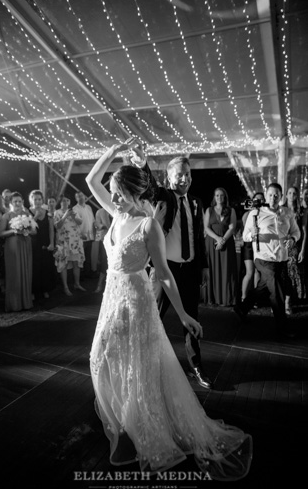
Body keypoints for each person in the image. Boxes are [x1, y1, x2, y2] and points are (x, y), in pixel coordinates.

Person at [86, 138, 252, 480]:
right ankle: (124, 416)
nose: (112, 197)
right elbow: (91, 181)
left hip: (136, 298)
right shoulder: (116, 213)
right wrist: (115, 151)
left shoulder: (149, 226)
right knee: (100, 357)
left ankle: (144, 425)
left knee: (140, 366)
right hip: (111, 299)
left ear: (133, 192)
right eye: (112, 192)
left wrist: (185, 315)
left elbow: (164, 276)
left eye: (118, 192)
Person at [139, 154, 212, 389]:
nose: (184, 179)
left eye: (187, 174)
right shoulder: (165, 197)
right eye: (179, 174)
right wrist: (143, 164)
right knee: (154, 318)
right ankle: (149, 366)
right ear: (169, 177)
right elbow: (150, 187)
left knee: (191, 318)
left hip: (190, 270)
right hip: (163, 270)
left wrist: (203, 267)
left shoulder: (197, 203)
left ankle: (196, 366)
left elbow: (199, 239)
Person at [234, 183, 300, 337]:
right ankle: (282, 329)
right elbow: (245, 236)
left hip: (281, 258)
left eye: (276, 195)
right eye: (270, 194)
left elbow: (296, 232)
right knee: (276, 293)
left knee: (263, 286)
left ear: (281, 196)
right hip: (263, 258)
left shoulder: (287, 213)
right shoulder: (256, 213)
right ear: (266, 195)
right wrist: (254, 235)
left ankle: (242, 308)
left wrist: (292, 239)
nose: (273, 197)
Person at [0, 191, 36, 312]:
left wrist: (26, 230)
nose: (18, 203)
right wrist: (14, 230)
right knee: (14, 273)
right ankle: (14, 304)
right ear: (10, 203)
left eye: (20, 201)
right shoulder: (6, 216)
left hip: (25, 245)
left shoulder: (27, 214)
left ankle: (26, 302)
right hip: (13, 247)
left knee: (26, 271)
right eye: (15, 201)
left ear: (23, 202)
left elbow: (34, 231)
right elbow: (1, 233)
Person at [204, 188, 238, 306]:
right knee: (213, 269)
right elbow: (207, 228)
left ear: (225, 197)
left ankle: (226, 299)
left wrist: (222, 240)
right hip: (212, 243)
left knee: (226, 270)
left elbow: (232, 228)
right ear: (214, 197)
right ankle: (212, 298)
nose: (219, 198)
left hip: (227, 243)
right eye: (217, 195)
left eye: (222, 195)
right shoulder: (209, 210)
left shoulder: (231, 210)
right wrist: (217, 239)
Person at [53, 194, 85, 296]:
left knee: (76, 263)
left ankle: (77, 284)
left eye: (67, 200)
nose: (65, 202)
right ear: (60, 203)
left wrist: (72, 215)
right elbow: (57, 226)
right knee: (64, 264)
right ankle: (65, 287)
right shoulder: (57, 212)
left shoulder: (74, 211)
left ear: (69, 202)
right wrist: (65, 215)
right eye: (63, 201)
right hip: (63, 242)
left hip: (75, 241)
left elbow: (80, 222)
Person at [28, 190, 55, 299]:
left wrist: (52, 243)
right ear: (31, 200)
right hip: (33, 244)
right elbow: (28, 228)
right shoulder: (28, 211)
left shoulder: (47, 211)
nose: (38, 201)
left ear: (42, 200)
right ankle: (34, 291)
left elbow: (51, 229)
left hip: (45, 243)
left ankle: (45, 290)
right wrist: (35, 216)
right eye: (35, 199)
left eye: (39, 199)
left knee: (45, 266)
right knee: (34, 267)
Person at [281, 186, 304, 314]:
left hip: (294, 247)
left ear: (297, 196)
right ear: (285, 195)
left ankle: (287, 302)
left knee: (290, 275)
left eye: (294, 193)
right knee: (281, 275)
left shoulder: (301, 211)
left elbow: (304, 233)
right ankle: (279, 301)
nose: (291, 195)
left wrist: (302, 251)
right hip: (280, 246)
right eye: (289, 193)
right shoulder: (281, 210)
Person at [241, 192, 266, 301]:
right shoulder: (248, 214)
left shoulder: (266, 213)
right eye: (256, 200)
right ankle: (244, 297)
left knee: (257, 272)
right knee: (250, 272)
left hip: (260, 245)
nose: (258, 202)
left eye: (261, 200)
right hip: (249, 245)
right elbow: (245, 230)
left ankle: (256, 299)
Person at [72, 191, 96, 278]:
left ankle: (88, 274)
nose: (81, 198)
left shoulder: (89, 207)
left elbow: (93, 221)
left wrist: (94, 234)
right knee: (82, 257)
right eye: (78, 197)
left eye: (82, 195)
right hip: (81, 237)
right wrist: (80, 234)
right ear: (76, 199)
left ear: (84, 196)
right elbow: (76, 224)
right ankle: (82, 276)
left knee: (88, 256)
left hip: (90, 236)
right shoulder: (75, 209)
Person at [93, 207, 112, 293]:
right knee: (104, 262)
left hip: (118, 240)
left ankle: (111, 285)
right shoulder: (100, 211)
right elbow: (96, 224)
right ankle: (100, 284)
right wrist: (102, 226)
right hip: (105, 240)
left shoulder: (116, 209)